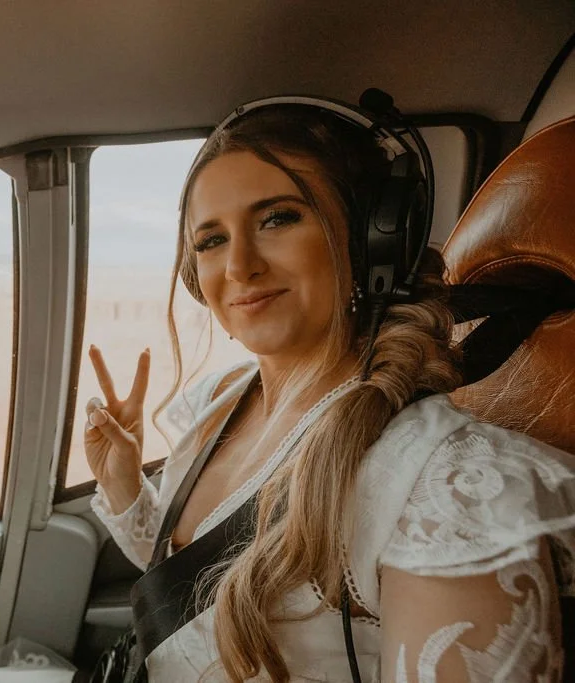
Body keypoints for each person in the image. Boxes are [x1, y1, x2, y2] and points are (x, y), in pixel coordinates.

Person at [84, 98, 575, 682]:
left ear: (374, 243)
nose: (238, 266)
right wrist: (123, 484)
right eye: (211, 240)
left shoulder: (442, 492)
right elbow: (196, 602)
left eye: (278, 219)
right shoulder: (216, 406)